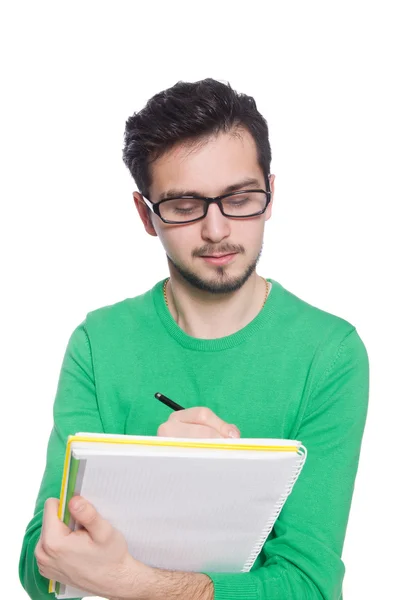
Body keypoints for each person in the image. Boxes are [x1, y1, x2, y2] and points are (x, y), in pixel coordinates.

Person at [18, 78, 369, 600]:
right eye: (184, 206)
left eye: (240, 198)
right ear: (146, 214)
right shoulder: (99, 342)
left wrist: (132, 581)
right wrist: (156, 478)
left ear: (270, 195)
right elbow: (38, 564)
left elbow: (310, 586)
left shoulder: (330, 352)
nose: (217, 230)